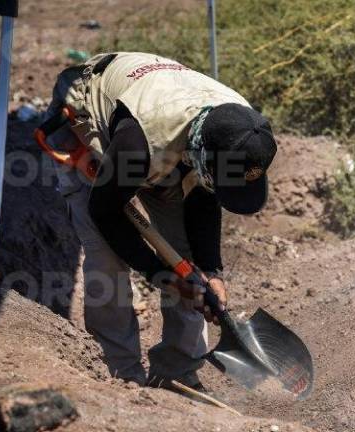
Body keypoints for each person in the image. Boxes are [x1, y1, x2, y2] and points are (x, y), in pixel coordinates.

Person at [43, 52, 277, 391]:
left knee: (190, 265)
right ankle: (120, 373)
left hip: (165, 144)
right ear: (201, 155)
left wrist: (211, 271)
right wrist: (163, 277)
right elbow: (105, 212)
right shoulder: (140, 145)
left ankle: (178, 371)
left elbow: (203, 196)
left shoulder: (238, 127)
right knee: (107, 260)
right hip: (86, 117)